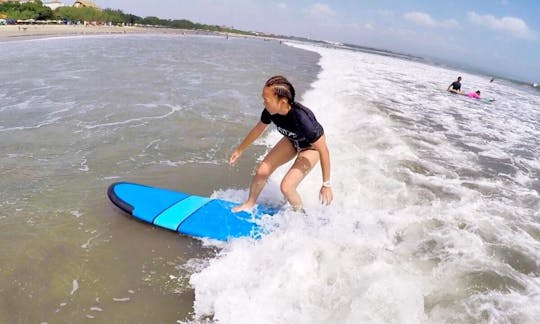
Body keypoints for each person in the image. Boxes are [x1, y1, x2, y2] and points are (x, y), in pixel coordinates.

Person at [229, 76, 333, 212]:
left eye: (266, 100)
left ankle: (300, 216)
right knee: (262, 171)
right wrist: (239, 150)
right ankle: (249, 203)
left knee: (286, 187)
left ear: (282, 102)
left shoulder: (303, 120)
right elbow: (258, 129)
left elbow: (324, 150)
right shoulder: (271, 111)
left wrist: (326, 184)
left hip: (311, 148)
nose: (263, 103)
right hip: (291, 140)